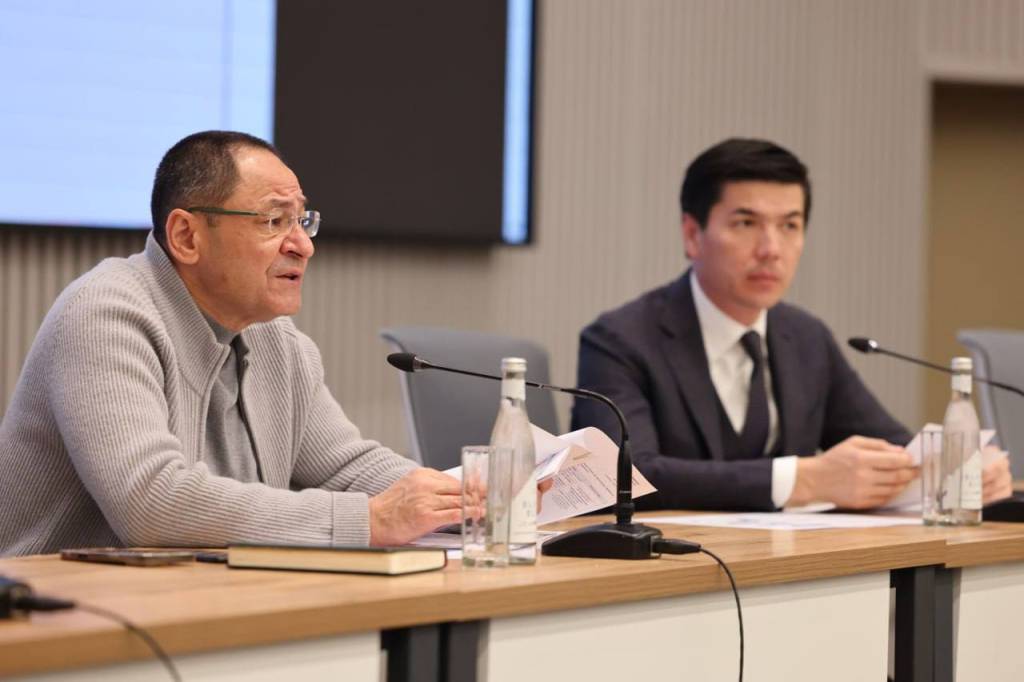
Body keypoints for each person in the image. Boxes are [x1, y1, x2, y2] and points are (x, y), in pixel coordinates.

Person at [0, 131, 463, 556]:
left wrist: (472, 500)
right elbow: (150, 501)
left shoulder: (276, 339)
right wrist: (367, 521)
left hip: (195, 596)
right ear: (186, 237)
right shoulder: (104, 313)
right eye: (274, 220)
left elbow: (345, 467)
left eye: (302, 220)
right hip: (53, 607)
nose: (303, 246)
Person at [571, 138, 1012, 511]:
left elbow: (892, 449)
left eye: (790, 225)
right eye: (746, 223)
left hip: (790, 569)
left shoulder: (804, 338)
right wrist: (802, 480)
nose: (771, 249)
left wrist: (957, 468)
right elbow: (619, 476)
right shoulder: (621, 340)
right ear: (692, 234)